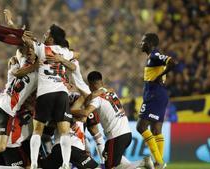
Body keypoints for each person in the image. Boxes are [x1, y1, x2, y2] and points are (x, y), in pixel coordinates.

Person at [72, 71, 152, 169]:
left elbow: (85, 113)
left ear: (90, 85)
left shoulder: (97, 99)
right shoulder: (111, 92)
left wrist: (68, 112)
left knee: (110, 167)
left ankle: (142, 162)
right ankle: (138, 166)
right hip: (126, 133)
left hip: (116, 136)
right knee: (108, 155)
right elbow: (90, 99)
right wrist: (92, 95)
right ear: (101, 81)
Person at [22, 24, 76, 169]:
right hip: (61, 93)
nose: (44, 36)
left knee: (38, 130)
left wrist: (14, 27)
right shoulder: (65, 51)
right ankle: (65, 164)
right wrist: (63, 59)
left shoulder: (42, 48)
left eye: (46, 34)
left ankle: (33, 163)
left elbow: (25, 40)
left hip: (45, 93)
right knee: (65, 131)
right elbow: (76, 60)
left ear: (51, 38)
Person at [136, 33, 176, 169]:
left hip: (154, 95)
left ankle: (159, 162)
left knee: (140, 127)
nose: (140, 44)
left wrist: (161, 75)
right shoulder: (151, 58)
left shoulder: (154, 55)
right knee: (156, 130)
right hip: (159, 95)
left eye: (143, 41)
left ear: (149, 43)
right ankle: (159, 163)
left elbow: (172, 62)